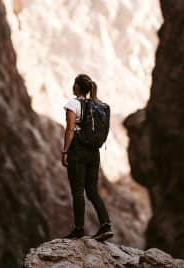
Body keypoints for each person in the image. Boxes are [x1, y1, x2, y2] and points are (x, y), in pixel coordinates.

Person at [61, 73, 113, 241]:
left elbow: (69, 129)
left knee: (78, 191)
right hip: (94, 153)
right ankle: (106, 226)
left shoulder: (73, 104)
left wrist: (65, 152)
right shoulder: (97, 105)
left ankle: (79, 229)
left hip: (78, 151)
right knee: (92, 191)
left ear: (76, 86)